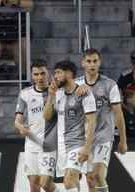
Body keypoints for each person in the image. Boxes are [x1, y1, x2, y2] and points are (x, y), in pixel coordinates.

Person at [76, 48, 128, 192]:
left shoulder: (110, 85)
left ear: (99, 63)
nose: (92, 64)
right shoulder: (76, 85)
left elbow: (118, 114)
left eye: (95, 61)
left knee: (98, 175)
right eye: (88, 61)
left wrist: (123, 141)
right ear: (83, 63)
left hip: (103, 136)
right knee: (90, 179)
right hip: (83, 138)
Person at [43, 60, 97, 192]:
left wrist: (87, 147)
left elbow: (92, 121)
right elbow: (47, 116)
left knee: (69, 181)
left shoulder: (83, 92)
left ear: (69, 73)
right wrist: (50, 96)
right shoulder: (58, 93)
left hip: (79, 144)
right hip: (62, 146)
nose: (55, 76)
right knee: (69, 183)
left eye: (58, 73)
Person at [14, 60, 60, 192]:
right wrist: (21, 127)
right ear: (32, 76)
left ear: (48, 73)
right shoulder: (25, 94)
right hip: (31, 145)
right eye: (36, 74)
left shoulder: (58, 92)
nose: (39, 77)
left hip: (49, 145)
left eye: (42, 73)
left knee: (45, 184)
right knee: (34, 185)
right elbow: (17, 120)